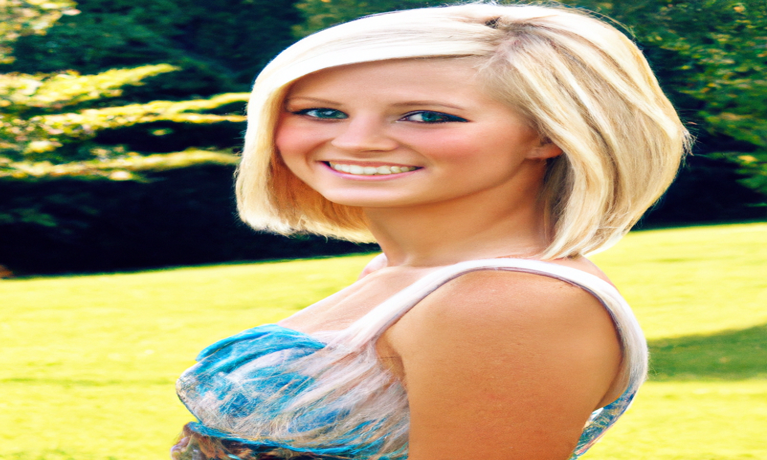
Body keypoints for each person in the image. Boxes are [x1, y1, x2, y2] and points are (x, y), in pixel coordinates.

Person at [172, 2, 690, 459]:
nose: (357, 141)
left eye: (426, 116)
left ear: (548, 134)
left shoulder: (508, 303)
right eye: (322, 112)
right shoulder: (406, 273)